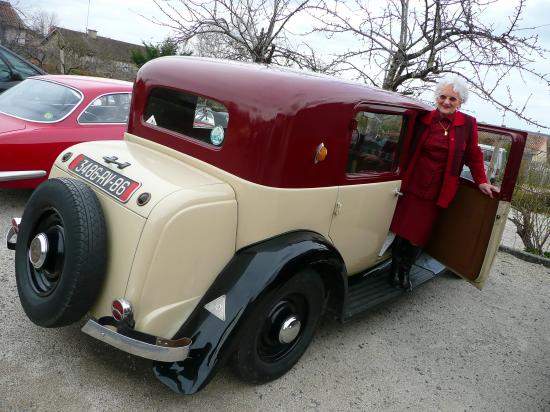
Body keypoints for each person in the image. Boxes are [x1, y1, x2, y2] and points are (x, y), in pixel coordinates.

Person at [389, 77, 498, 291]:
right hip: (413, 184)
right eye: (442, 97)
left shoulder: (467, 124)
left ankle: (405, 269)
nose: (446, 102)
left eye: (452, 99)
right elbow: (403, 146)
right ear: (436, 98)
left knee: (419, 233)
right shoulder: (423, 119)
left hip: (438, 189)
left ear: (460, 102)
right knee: (402, 229)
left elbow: (473, 155)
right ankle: (393, 269)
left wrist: (482, 181)